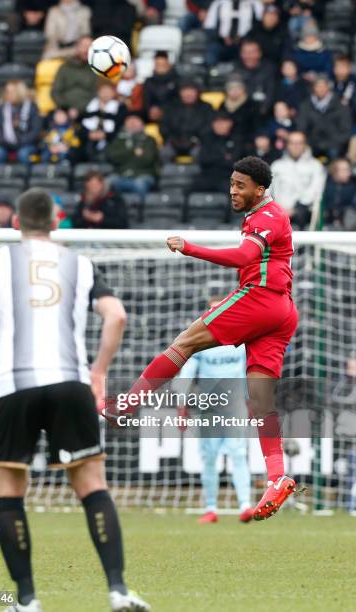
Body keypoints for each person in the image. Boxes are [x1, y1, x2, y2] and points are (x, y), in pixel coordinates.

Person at [0, 187, 149, 612]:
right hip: (71, 382)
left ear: (16, 223)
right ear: (56, 221)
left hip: (14, 384)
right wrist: (99, 371)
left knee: (10, 492)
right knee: (91, 486)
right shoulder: (80, 263)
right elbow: (117, 315)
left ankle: (27, 600)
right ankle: (118, 591)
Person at [108, 156, 299, 521]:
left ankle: (129, 403)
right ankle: (277, 477)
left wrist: (189, 247)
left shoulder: (267, 217)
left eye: (240, 185)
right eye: (231, 183)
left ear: (260, 190)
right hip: (282, 313)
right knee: (261, 403)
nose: (233, 190)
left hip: (261, 298)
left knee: (184, 343)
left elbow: (245, 255)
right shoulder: (263, 217)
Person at [174, 317, 254, 524]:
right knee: (209, 457)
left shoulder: (241, 342)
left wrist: (252, 400)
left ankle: (245, 505)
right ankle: (211, 508)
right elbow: (188, 372)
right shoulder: (201, 343)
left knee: (238, 453)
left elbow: (249, 371)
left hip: (235, 406)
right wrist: (181, 404)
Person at [271, 131, 325, 229]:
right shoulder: (277, 166)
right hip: (278, 212)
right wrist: (280, 209)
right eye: (292, 143)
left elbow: (316, 190)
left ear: (305, 145)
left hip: (305, 212)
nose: (296, 146)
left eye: (299, 143)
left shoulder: (315, 166)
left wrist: (296, 209)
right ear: (287, 145)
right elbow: (269, 191)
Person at [297, 75, 352, 160]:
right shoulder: (305, 106)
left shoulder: (341, 106)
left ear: (328, 87)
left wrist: (333, 143)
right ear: (313, 88)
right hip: (312, 144)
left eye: (323, 86)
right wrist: (309, 142)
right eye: (318, 86)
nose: (321, 89)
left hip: (334, 145)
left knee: (335, 154)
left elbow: (346, 130)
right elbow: (301, 128)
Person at [107, 114, 159, 202]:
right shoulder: (118, 140)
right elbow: (112, 157)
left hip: (142, 175)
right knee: (107, 182)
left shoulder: (149, 140)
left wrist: (124, 156)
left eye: (135, 121)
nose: (132, 124)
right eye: (130, 121)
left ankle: (140, 212)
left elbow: (147, 160)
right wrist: (132, 152)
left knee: (140, 184)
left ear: (142, 124)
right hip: (121, 175)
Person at [160, 81, 213, 161]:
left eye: (191, 91)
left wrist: (196, 139)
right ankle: (168, 173)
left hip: (197, 142)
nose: (188, 94)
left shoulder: (206, 107)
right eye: (185, 91)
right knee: (164, 153)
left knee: (200, 153)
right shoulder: (171, 107)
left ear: (197, 92)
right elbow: (163, 127)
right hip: (174, 142)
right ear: (180, 93)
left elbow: (209, 127)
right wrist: (172, 139)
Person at [0, 80, 42, 165]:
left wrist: (21, 142)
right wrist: (8, 143)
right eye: (7, 92)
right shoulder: (2, 109)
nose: (9, 95)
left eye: (12, 92)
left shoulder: (32, 108)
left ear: (20, 92)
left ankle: (26, 177)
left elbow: (35, 131)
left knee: (23, 154)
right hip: (7, 145)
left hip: (27, 144)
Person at [192, 111, 243, 194]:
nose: (219, 125)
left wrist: (214, 158)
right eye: (217, 122)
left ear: (230, 123)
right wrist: (223, 157)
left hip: (227, 177)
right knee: (188, 190)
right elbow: (203, 160)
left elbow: (234, 163)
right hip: (207, 176)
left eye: (222, 122)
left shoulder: (236, 139)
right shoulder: (207, 138)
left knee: (234, 191)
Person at [203, 0, 263, 65]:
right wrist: (221, 38)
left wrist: (245, 39)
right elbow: (209, 26)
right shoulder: (218, 3)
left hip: (245, 43)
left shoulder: (254, 3)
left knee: (250, 51)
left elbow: (260, 25)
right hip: (221, 42)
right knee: (212, 52)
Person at [51, 36, 97, 117]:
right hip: (65, 110)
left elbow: (97, 93)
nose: (87, 50)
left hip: (89, 111)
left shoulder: (96, 68)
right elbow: (56, 92)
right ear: (77, 47)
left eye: (90, 47)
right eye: (84, 46)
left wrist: (80, 109)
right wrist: (67, 108)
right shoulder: (65, 67)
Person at [232, 39, 276, 118]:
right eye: (245, 52)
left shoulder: (269, 69)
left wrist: (263, 110)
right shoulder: (236, 69)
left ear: (259, 53)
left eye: (252, 52)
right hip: (240, 114)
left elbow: (271, 94)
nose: (248, 56)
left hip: (263, 114)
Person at [142, 51, 177, 124]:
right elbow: (146, 101)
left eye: (163, 65)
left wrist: (162, 110)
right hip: (152, 118)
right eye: (158, 64)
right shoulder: (148, 82)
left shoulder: (177, 80)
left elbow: (178, 101)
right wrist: (151, 110)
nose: (160, 67)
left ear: (169, 64)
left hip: (173, 118)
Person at [323, 158, 356, 230]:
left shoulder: (353, 184)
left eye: (349, 170)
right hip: (328, 222)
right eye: (345, 170)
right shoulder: (324, 184)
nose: (349, 173)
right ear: (335, 171)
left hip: (348, 223)